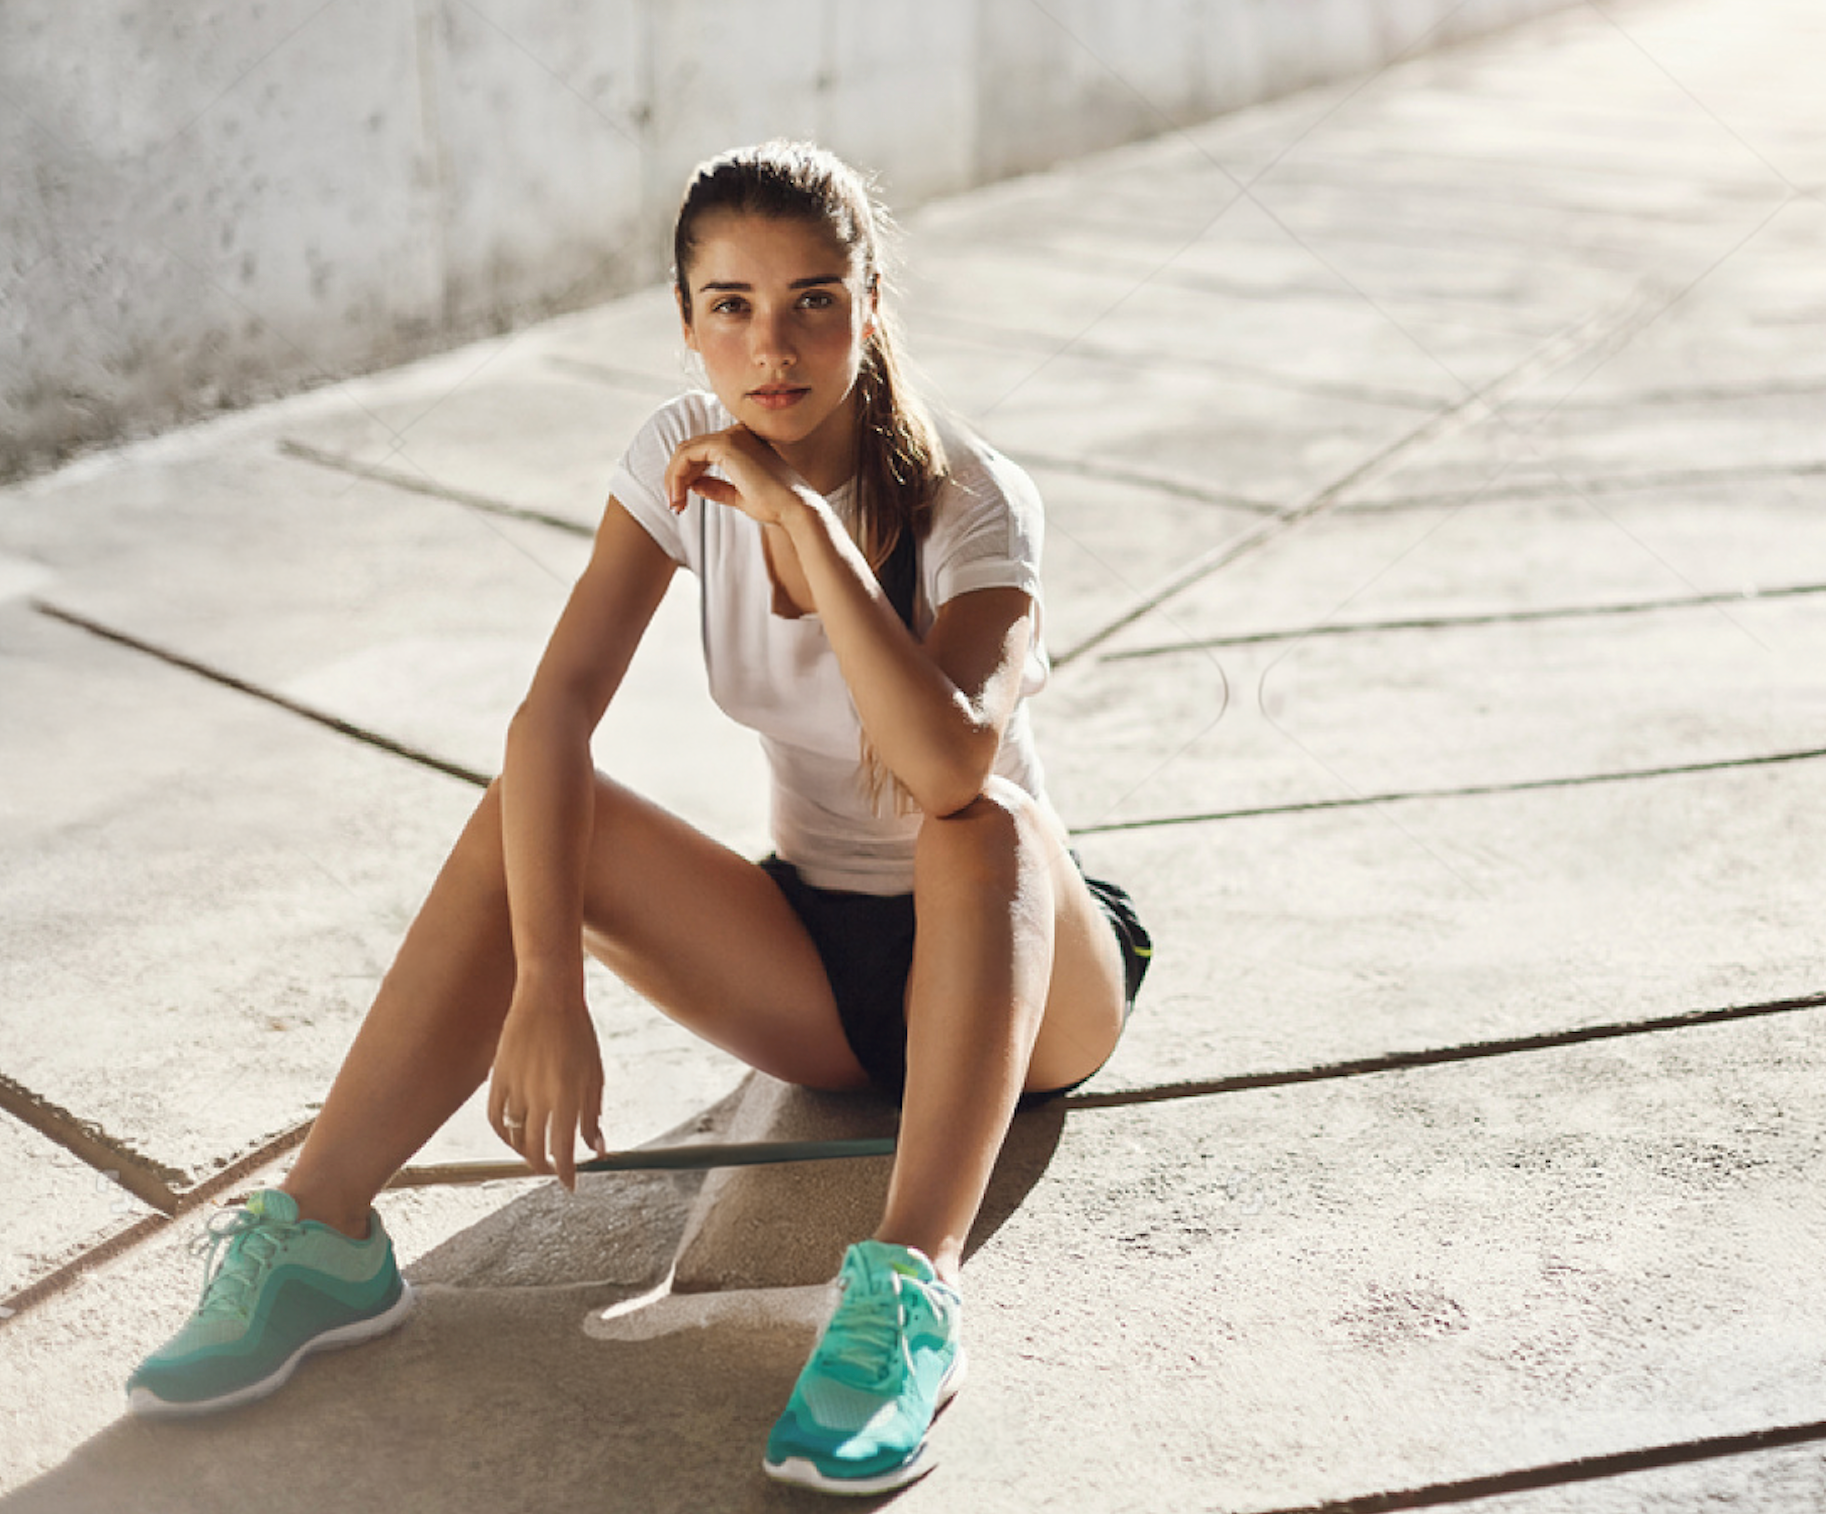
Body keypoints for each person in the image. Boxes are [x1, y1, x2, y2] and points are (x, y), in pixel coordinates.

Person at [124, 140, 1151, 1496]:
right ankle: (321, 1237)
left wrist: (804, 524)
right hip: (821, 962)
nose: (769, 344)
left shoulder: (972, 499)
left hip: (1028, 975)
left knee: (987, 824)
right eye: (728, 305)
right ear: (685, 323)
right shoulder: (674, 453)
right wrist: (548, 980)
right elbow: (551, 720)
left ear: (870, 303)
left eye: (812, 299)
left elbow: (951, 766)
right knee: (533, 809)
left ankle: (909, 1292)